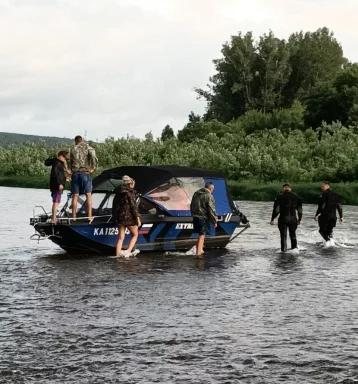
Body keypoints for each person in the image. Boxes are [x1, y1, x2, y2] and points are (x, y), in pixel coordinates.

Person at [112, 175, 142, 257]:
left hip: (120, 217)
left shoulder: (119, 193)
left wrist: (115, 216)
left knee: (121, 237)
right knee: (135, 234)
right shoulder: (130, 193)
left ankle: (117, 255)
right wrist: (138, 218)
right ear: (131, 184)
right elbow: (133, 207)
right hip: (129, 218)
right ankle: (128, 251)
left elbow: (114, 205)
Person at [70, 135, 98, 221]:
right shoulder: (87, 147)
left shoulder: (72, 149)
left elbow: (68, 159)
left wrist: (69, 170)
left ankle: (73, 217)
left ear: (76, 141)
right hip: (85, 172)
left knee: (75, 195)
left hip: (75, 173)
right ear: (82, 140)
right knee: (88, 195)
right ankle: (89, 216)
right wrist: (93, 168)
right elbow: (93, 156)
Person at [270, 183, 303, 252]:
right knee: (293, 234)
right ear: (290, 188)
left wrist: (272, 219)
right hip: (293, 218)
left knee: (283, 236)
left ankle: (283, 251)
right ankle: (294, 249)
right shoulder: (297, 197)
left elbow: (276, 210)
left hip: (283, 218)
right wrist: (300, 219)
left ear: (284, 188)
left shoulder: (279, 197)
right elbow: (299, 209)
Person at [190, 181, 217, 257]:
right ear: (211, 188)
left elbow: (192, 205)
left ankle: (200, 249)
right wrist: (215, 221)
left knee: (200, 234)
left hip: (195, 216)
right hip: (203, 217)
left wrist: (192, 214)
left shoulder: (196, 193)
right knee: (202, 234)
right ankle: (198, 253)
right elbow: (211, 209)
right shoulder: (209, 196)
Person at [44, 150, 70, 224]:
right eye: (65, 158)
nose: (65, 160)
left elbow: (60, 175)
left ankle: (54, 218)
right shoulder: (57, 163)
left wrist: (65, 179)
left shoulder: (57, 163)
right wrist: (59, 184)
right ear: (61, 156)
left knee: (56, 201)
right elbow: (55, 175)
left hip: (55, 185)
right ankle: (53, 219)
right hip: (57, 186)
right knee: (56, 202)